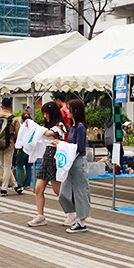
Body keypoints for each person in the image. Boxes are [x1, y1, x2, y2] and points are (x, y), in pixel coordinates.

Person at [28, 101, 66, 226]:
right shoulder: (49, 126)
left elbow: (49, 134)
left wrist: (33, 125)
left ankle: (74, 212)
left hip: (55, 158)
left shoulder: (60, 125)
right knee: (38, 189)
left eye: (46, 113)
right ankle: (41, 216)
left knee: (57, 190)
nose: (45, 116)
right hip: (47, 157)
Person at [58, 99, 92, 233]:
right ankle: (75, 214)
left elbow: (79, 147)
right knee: (63, 192)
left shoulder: (80, 127)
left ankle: (82, 221)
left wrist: (61, 146)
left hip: (78, 162)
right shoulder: (72, 126)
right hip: (71, 161)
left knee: (80, 191)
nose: (66, 111)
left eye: (69, 108)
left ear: (75, 111)